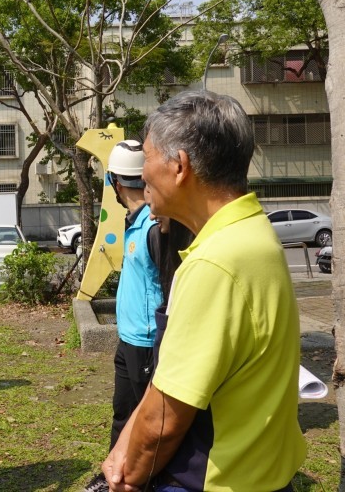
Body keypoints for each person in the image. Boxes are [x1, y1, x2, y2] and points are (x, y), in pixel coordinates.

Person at [103, 90, 306, 491]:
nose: (142, 176)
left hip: (215, 479)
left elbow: (165, 418)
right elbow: (169, 379)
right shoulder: (252, 232)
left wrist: (130, 474)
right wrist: (123, 443)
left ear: (179, 166)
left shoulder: (215, 262)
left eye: (147, 158)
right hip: (260, 473)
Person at [85, 141, 191, 492]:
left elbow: (169, 287)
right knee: (123, 412)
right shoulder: (135, 221)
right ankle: (113, 475)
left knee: (147, 420)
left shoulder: (155, 226)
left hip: (147, 341)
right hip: (128, 337)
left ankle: (146, 480)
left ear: (114, 182)